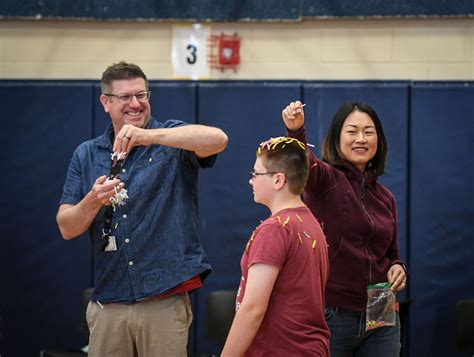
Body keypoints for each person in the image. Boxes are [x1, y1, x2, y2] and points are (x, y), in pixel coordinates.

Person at [56, 61, 228, 357]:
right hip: (109, 302)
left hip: (163, 298)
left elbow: (218, 140)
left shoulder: (171, 138)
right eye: (125, 97)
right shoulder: (86, 154)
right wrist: (93, 200)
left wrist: (148, 136)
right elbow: (67, 227)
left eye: (142, 95)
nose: (135, 104)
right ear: (105, 102)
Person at [282, 101, 408, 356]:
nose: (361, 138)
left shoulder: (386, 197)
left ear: (378, 140)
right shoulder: (324, 179)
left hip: (381, 307)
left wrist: (398, 267)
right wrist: (296, 131)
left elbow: (391, 253)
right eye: (352, 131)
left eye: (368, 132)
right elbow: (302, 162)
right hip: (334, 312)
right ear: (337, 138)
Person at [222, 136, 330, 357]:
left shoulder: (275, 230)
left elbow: (252, 309)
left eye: (256, 174)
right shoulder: (311, 222)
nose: (251, 181)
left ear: (278, 180)